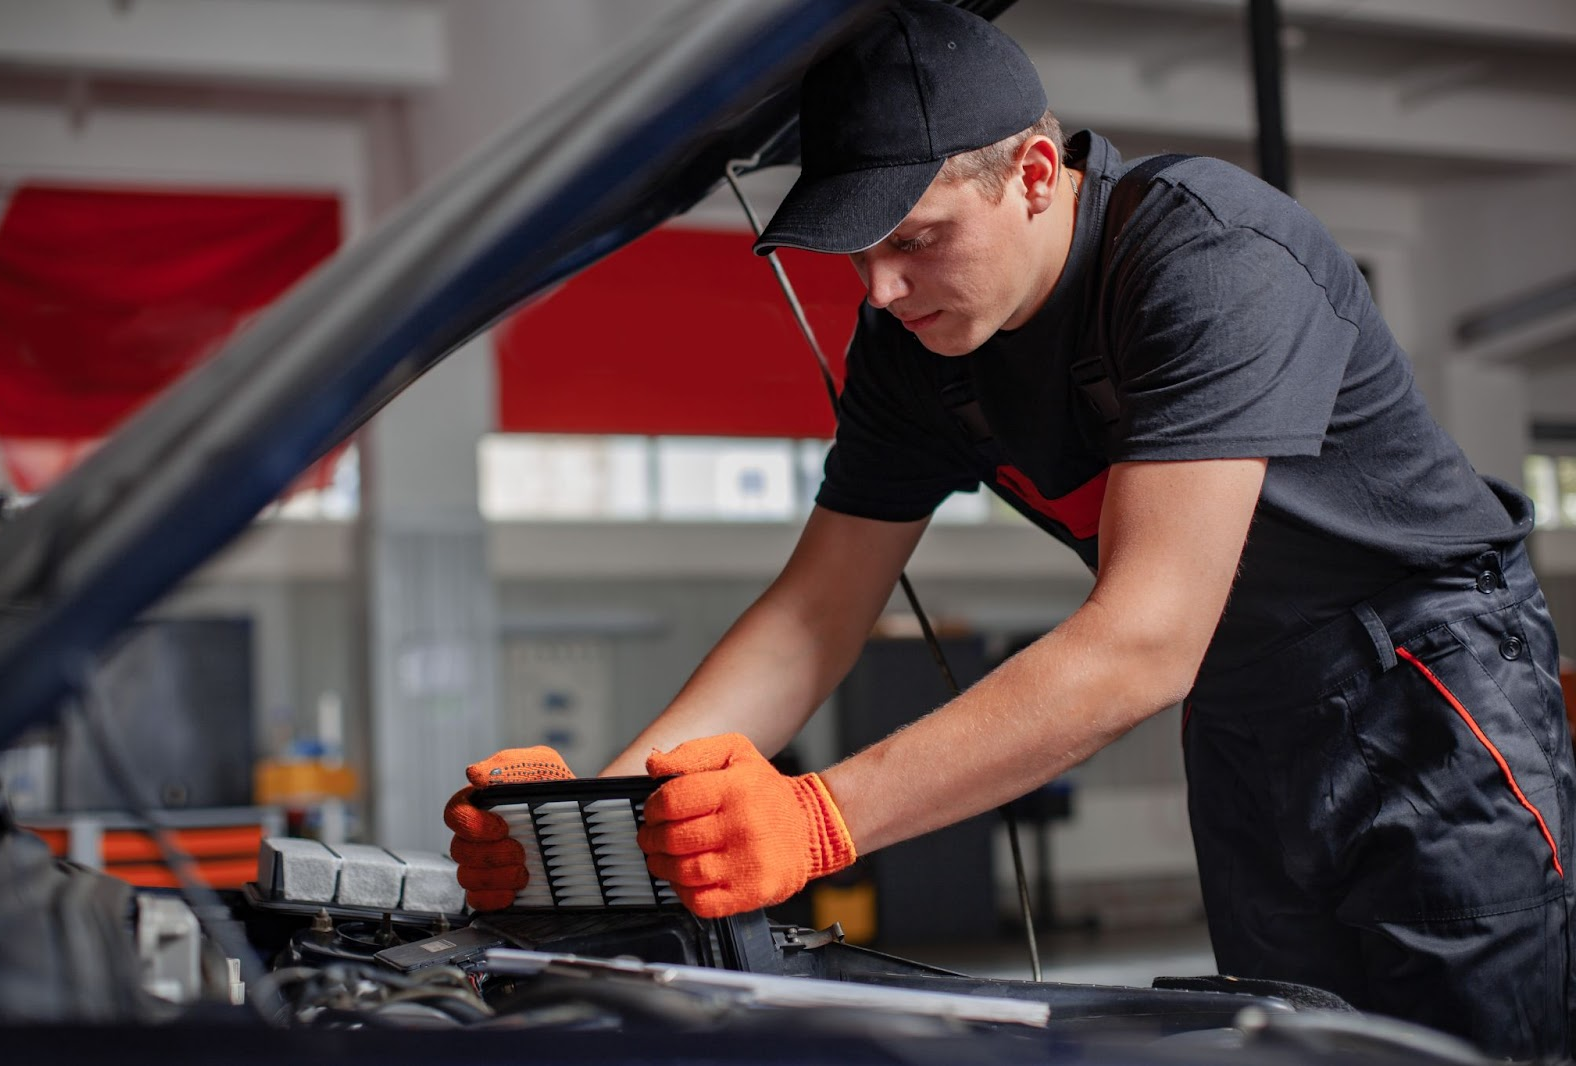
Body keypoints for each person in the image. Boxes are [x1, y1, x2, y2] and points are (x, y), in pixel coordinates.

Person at [445, 1, 1575, 1056]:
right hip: (1243, 712)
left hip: (1428, 682)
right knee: (1288, 1040)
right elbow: (813, 611)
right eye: (856, 253)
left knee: (1455, 1044)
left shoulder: (1208, 260)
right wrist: (585, 828)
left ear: (1034, 174)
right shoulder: (914, 348)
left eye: (916, 239)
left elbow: (1143, 638)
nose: (880, 289)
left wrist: (818, 817)